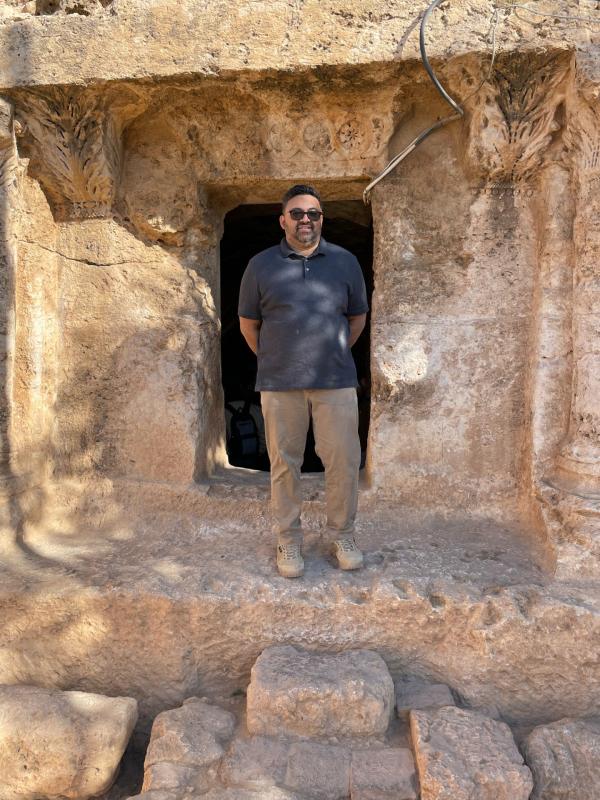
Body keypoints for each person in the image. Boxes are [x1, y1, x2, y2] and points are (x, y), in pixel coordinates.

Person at [238, 184, 368, 578]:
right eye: (297, 213)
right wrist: (276, 358)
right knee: (284, 464)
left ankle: (342, 536)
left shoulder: (345, 262)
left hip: (336, 381)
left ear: (321, 219)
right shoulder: (261, 265)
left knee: (344, 462)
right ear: (283, 220)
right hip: (280, 383)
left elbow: (357, 317)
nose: (306, 220)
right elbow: (248, 324)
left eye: (313, 213)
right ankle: (288, 541)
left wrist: (334, 351)